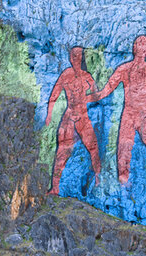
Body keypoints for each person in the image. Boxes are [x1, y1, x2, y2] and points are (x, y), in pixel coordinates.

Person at [91, 35, 146, 203]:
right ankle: (122, 190)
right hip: (129, 115)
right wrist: (89, 98)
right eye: (138, 42)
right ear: (133, 47)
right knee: (123, 155)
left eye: (144, 43)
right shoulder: (124, 69)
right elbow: (107, 90)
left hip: (145, 116)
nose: (141, 45)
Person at [46, 46, 101, 195]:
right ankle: (55, 187)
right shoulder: (66, 74)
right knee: (62, 151)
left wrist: (86, 98)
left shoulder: (87, 76)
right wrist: (49, 115)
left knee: (93, 147)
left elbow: (96, 95)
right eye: (73, 55)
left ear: (82, 57)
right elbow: (54, 94)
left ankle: (98, 180)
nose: (75, 57)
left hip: (83, 116)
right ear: (70, 58)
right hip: (69, 116)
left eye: (78, 55)